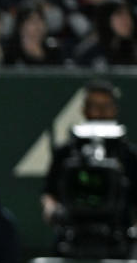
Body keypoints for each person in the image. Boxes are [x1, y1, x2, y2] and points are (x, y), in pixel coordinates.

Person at [40, 79, 137, 239]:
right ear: (84, 109)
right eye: (94, 106)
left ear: (114, 109)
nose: (99, 113)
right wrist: (51, 210)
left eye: (105, 107)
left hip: (118, 235)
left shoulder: (129, 155)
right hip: (73, 235)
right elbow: (49, 192)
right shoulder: (65, 152)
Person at [2, 0, 66, 67]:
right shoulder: (11, 54)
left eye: (41, 20)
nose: (38, 25)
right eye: (32, 21)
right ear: (21, 25)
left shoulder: (54, 51)